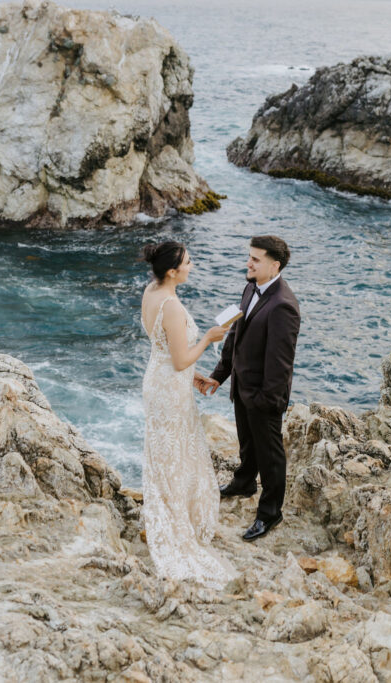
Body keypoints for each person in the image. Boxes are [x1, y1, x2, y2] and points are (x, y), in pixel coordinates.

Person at [139, 240, 238, 587]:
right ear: (172, 271)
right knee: (174, 456)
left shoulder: (151, 291)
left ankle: (163, 511)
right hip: (168, 389)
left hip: (159, 380)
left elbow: (164, 348)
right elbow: (180, 358)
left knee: (163, 454)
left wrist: (189, 375)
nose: (192, 266)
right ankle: (170, 524)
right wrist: (210, 339)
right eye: (188, 262)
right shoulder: (173, 307)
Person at [197, 235, 301, 542]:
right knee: (246, 442)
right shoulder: (250, 286)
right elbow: (235, 337)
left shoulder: (284, 306)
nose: (248, 262)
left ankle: (270, 513)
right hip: (243, 386)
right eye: (249, 257)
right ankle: (244, 483)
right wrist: (219, 376)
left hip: (264, 396)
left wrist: (264, 400)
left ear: (274, 265)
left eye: (255, 259)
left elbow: (281, 363)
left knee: (270, 456)